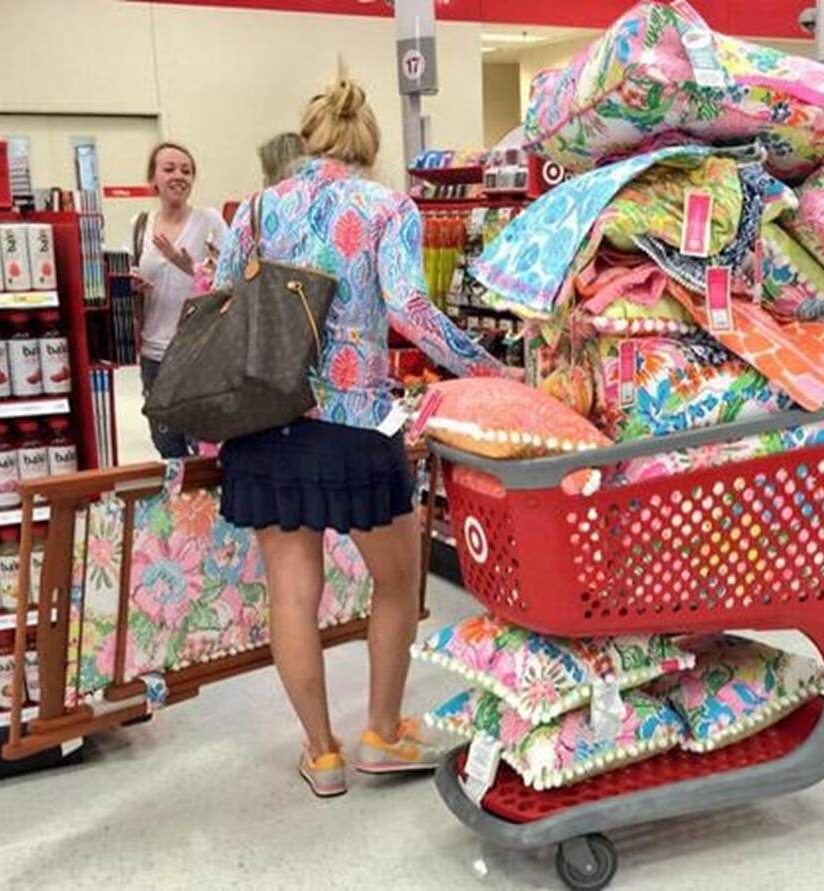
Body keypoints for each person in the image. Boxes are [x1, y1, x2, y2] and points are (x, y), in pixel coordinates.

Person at [213, 65, 510, 799]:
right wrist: (489, 368)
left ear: (309, 139)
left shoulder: (253, 210)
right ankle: (381, 730)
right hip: (355, 422)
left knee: (292, 592)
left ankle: (321, 753)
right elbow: (409, 309)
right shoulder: (386, 208)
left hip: (264, 423)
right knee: (398, 580)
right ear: (367, 147)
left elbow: (214, 301)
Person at [131, 142, 227, 459]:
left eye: (186, 170)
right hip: (153, 351)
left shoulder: (209, 221)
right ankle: (180, 504)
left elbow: (231, 279)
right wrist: (132, 284)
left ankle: (208, 505)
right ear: (153, 179)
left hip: (198, 351)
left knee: (202, 440)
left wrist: (189, 267)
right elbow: (125, 272)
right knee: (165, 442)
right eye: (169, 169)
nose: (179, 176)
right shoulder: (140, 225)